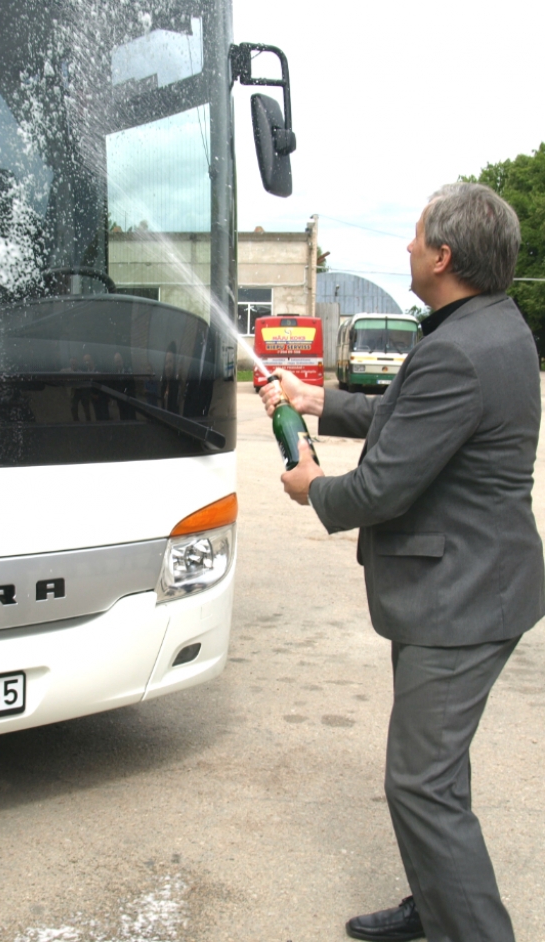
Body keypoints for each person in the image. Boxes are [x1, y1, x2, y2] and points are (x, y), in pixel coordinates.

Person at [260, 183, 544, 942]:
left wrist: (312, 486)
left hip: (462, 601)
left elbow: (382, 487)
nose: (406, 248)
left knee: (420, 786)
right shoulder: (486, 326)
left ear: (445, 255)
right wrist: (313, 398)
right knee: (437, 774)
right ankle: (436, 905)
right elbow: (411, 416)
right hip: (467, 589)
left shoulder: (459, 348)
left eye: (415, 237)